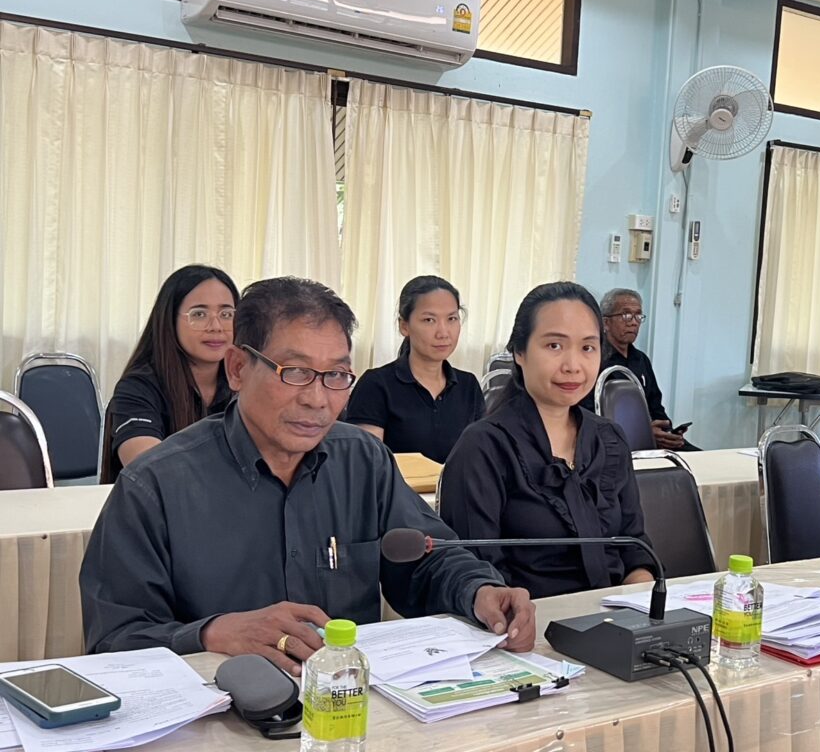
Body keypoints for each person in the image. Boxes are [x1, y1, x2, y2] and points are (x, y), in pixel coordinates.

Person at [80, 277, 535, 676]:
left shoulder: (363, 461)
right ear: (238, 368)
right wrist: (212, 633)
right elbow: (115, 640)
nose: (318, 399)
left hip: (349, 707)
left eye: (336, 374)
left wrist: (479, 591)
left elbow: (427, 560)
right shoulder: (155, 485)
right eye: (295, 372)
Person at [440, 282, 656, 600]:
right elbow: (478, 571)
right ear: (520, 352)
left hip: (612, 617)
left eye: (587, 348)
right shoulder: (484, 447)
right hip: (525, 620)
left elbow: (634, 545)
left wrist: (639, 592)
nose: (572, 366)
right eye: (554, 346)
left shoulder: (609, 439)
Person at [100, 265, 240, 483]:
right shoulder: (138, 386)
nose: (216, 326)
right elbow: (148, 469)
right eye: (199, 314)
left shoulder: (246, 382)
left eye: (226, 314)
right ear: (169, 320)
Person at [344, 276, 485, 463]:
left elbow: (480, 456)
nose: (443, 333)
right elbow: (367, 464)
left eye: (452, 318)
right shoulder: (376, 385)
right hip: (396, 483)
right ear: (404, 326)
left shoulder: (468, 385)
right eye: (429, 320)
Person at [580, 288, 695, 450]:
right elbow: (587, 414)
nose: (633, 322)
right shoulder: (594, 359)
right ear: (605, 322)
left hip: (654, 439)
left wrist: (668, 432)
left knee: (703, 458)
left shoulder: (641, 360)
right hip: (611, 442)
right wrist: (643, 431)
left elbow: (655, 406)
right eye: (626, 315)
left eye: (638, 316)